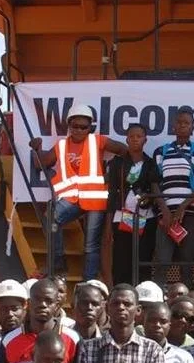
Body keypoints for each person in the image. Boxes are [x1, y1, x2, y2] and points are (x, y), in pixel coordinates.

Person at [30, 103, 125, 280]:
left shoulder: (98, 140)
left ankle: (87, 281)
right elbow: (41, 163)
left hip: (95, 200)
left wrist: (112, 174)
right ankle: (58, 264)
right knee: (51, 219)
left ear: (90, 128)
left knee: (90, 245)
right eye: (75, 126)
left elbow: (123, 150)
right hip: (72, 199)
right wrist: (37, 149)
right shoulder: (62, 145)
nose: (80, 130)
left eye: (84, 127)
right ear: (69, 125)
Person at [150, 108, 194, 284]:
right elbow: (154, 183)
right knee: (163, 259)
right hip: (165, 215)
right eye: (179, 122)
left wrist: (182, 208)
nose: (182, 125)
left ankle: (187, 301)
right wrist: (165, 211)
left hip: (190, 213)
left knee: (187, 259)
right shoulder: (161, 151)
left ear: (192, 128)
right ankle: (159, 300)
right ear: (173, 126)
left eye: (187, 123)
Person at [107, 123, 158, 285]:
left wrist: (147, 198)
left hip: (145, 217)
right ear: (126, 139)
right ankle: (121, 292)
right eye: (132, 136)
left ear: (145, 140)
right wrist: (108, 225)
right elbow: (112, 192)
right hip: (121, 217)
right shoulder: (118, 163)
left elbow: (155, 190)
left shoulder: (150, 163)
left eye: (139, 136)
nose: (135, 139)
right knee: (121, 259)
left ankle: (141, 296)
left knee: (143, 257)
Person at [0, 278, 78, 363]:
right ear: (29, 303)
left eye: (48, 301)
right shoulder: (9, 340)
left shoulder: (73, 339)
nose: (43, 305)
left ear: (56, 306)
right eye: (37, 299)